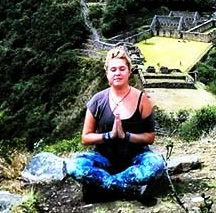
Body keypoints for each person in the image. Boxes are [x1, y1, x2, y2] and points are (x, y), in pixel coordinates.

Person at [66, 47, 166, 201]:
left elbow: (150, 137)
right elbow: (85, 138)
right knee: (74, 166)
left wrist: (126, 136)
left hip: (136, 156)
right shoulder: (97, 101)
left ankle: (105, 186)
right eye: (113, 69)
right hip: (104, 156)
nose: (117, 73)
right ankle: (128, 189)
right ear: (107, 73)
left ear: (129, 71)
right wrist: (109, 136)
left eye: (122, 69)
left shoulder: (142, 99)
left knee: (156, 165)